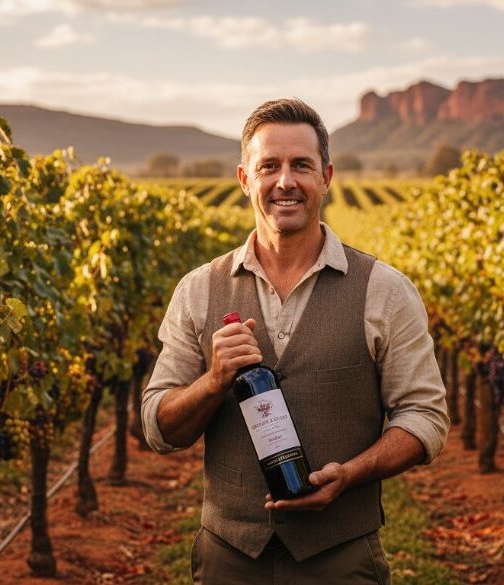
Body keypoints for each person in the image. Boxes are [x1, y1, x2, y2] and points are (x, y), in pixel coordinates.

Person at [141, 98, 449, 584]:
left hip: (342, 556)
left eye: (301, 165)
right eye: (269, 167)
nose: (285, 181)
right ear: (245, 180)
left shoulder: (385, 289)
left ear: (326, 177)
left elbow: (425, 417)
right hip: (230, 557)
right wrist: (214, 380)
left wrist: (352, 474)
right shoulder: (198, 289)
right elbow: (159, 428)